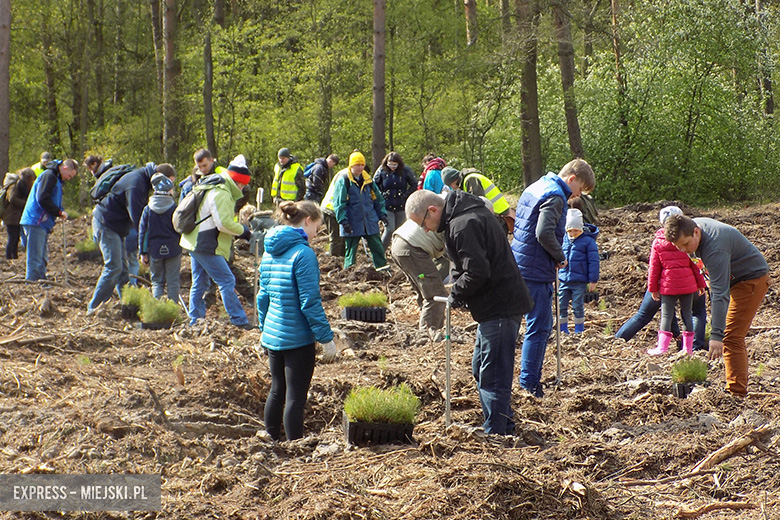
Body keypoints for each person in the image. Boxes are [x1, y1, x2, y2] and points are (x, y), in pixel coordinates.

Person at [406, 189, 533, 435]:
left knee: (492, 373)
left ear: (432, 210)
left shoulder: (463, 224)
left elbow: (477, 271)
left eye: (423, 224)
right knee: (481, 368)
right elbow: (465, 266)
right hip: (493, 307)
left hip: (500, 305)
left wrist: (456, 294)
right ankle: (503, 422)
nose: (426, 230)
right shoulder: (463, 217)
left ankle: (496, 432)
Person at [511, 158, 596, 398]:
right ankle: (530, 384)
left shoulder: (536, 186)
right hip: (535, 269)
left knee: (516, 324)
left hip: (518, 263)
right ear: (572, 179)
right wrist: (559, 256)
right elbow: (543, 232)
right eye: (579, 190)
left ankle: (516, 380)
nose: (576, 196)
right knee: (540, 326)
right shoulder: (556, 196)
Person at [665, 214, 770, 397]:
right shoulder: (691, 228)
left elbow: (720, 294)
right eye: (678, 246)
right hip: (733, 280)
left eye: (686, 244)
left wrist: (716, 335)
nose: (683, 250)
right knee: (728, 333)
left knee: (731, 337)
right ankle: (734, 387)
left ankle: (736, 393)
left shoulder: (715, 247)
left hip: (750, 280)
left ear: (696, 232)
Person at [257, 200, 336, 441]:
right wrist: (326, 339)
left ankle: (269, 441)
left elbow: (263, 296)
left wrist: (263, 329)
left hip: (273, 336)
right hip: (298, 338)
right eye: (317, 228)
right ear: (307, 220)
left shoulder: (269, 250)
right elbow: (309, 302)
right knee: (295, 397)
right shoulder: (303, 253)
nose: (316, 235)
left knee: (277, 390)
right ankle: (296, 446)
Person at [615, 206, 708, 351]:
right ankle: (693, 347)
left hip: (665, 284)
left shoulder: (658, 242)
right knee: (696, 312)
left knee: (648, 314)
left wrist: (652, 288)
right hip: (689, 283)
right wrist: (701, 283)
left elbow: (654, 268)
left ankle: (619, 341)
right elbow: (695, 264)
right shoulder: (688, 239)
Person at [181, 155, 253, 329]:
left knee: (199, 282)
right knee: (227, 280)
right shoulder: (222, 192)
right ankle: (239, 320)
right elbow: (223, 223)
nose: (243, 188)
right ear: (237, 182)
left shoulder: (216, 185)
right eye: (242, 184)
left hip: (194, 240)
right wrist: (243, 231)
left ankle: (195, 320)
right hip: (205, 243)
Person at [88, 162, 171, 313]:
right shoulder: (136, 184)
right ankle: (94, 307)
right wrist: (146, 247)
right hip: (106, 224)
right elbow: (139, 220)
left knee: (122, 271)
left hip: (116, 226)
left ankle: (129, 307)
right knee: (113, 267)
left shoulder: (141, 179)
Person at [20, 159, 79, 281]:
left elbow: (53, 199)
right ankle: (32, 283)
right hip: (36, 220)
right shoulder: (49, 176)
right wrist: (58, 212)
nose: (68, 179)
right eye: (69, 175)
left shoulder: (56, 179)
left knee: (42, 257)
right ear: (65, 168)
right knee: (35, 257)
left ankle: (41, 281)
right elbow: (42, 199)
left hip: (43, 223)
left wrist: (60, 210)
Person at [390, 217, 449, 339]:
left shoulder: (448, 209)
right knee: (436, 295)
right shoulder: (460, 218)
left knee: (426, 293)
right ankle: (428, 336)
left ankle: (427, 331)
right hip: (412, 247)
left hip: (400, 244)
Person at [332, 151, 389, 270]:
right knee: (351, 249)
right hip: (352, 221)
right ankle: (349, 272)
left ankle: (383, 269)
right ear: (351, 165)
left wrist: (382, 215)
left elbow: (378, 199)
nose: (360, 167)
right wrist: (343, 221)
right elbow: (339, 203)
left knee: (377, 247)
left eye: (362, 165)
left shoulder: (368, 180)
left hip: (370, 220)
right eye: (357, 165)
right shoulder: (344, 181)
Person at [139, 173, 182, 301]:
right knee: (173, 281)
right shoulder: (175, 208)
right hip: (173, 248)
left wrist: (143, 252)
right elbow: (180, 228)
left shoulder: (148, 210)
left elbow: (143, 232)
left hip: (155, 250)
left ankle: (157, 307)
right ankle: (172, 309)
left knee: (157, 281)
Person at [558, 208, 599, 334]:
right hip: (564, 279)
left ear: (581, 229)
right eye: (570, 231)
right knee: (561, 305)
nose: (573, 233)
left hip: (579, 281)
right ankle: (563, 330)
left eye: (576, 230)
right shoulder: (563, 239)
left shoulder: (588, 242)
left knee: (577, 306)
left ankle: (579, 330)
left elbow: (593, 262)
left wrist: (593, 280)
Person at [442, 167, 513, 234]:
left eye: (451, 185)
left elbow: (478, 204)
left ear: (454, 180)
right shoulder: (469, 179)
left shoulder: (471, 180)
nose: (453, 188)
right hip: (497, 214)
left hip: (497, 215)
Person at [373, 151, 417, 249]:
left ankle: (397, 251)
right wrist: (381, 195)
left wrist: (406, 194)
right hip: (387, 205)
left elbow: (414, 183)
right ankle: (380, 252)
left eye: (394, 165)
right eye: (390, 164)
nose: (392, 167)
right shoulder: (382, 170)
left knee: (399, 231)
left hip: (401, 205)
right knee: (389, 229)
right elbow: (374, 185)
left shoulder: (405, 170)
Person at [3, 168, 36, 259]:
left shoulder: (22, 186)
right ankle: (8, 257)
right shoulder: (16, 185)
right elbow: (12, 198)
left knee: (16, 238)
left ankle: (14, 256)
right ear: (28, 177)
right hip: (11, 216)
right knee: (12, 238)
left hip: (17, 216)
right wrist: (26, 204)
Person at [319, 173, 345, 257]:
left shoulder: (344, 173)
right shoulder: (346, 177)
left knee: (342, 236)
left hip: (331, 207)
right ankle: (334, 258)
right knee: (336, 237)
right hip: (332, 209)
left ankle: (341, 256)